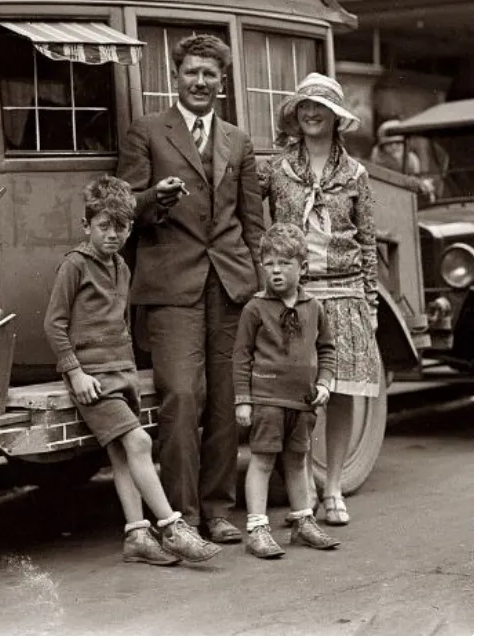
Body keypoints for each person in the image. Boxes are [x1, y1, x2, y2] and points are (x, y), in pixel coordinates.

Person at [117, 33, 264, 545]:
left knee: (226, 400)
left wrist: (264, 291)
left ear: (221, 83)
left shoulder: (238, 141)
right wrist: (153, 197)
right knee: (181, 397)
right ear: (174, 78)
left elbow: (253, 223)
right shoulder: (147, 132)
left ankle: (219, 509)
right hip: (170, 286)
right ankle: (180, 516)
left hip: (230, 286)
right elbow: (123, 208)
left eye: (209, 74)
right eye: (191, 73)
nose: (200, 82)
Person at [44, 176, 221, 566]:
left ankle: (137, 535)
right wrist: (75, 373)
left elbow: (121, 321)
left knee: (123, 456)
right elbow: (54, 324)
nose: (112, 235)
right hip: (92, 378)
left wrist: (129, 369)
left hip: (120, 371)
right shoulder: (74, 265)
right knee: (140, 442)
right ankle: (172, 527)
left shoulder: (122, 267)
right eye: (103, 226)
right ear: (86, 226)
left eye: (121, 227)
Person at [258, 73, 379, 528]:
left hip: (346, 291)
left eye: (321, 108)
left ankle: (333, 489)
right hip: (297, 295)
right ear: (295, 114)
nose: (311, 114)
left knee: (342, 390)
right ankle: (304, 483)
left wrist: (369, 303)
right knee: (299, 392)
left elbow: (367, 240)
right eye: (305, 106)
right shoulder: (277, 168)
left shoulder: (356, 174)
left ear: (336, 118)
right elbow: (255, 219)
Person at [234, 222, 343, 558]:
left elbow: (327, 349)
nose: (276, 271)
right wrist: (243, 400)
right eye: (269, 264)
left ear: (303, 267)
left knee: (298, 461)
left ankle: (303, 522)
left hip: (303, 401)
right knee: (263, 461)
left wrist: (325, 381)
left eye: (285, 263)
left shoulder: (314, 308)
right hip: (267, 399)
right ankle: (257, 527)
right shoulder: (255, 308)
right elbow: (241, 356)